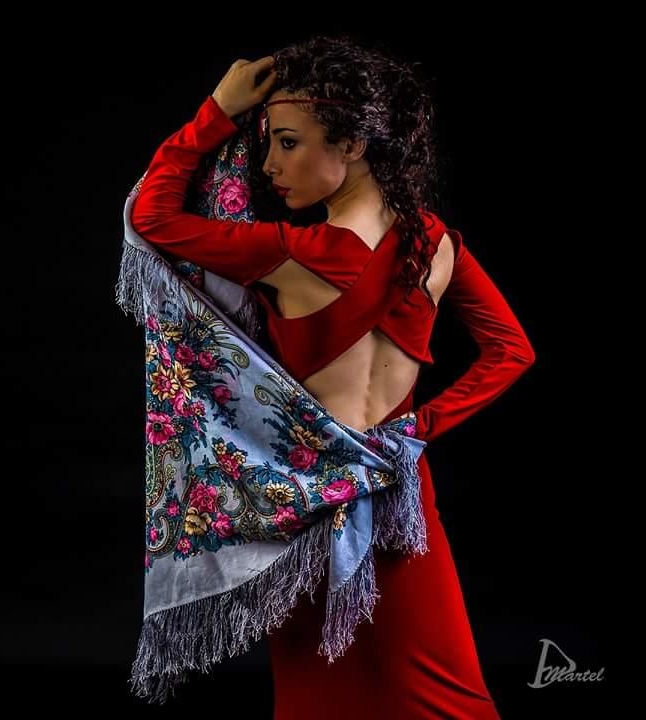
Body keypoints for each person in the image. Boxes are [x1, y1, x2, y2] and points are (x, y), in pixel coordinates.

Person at [128, 34, 535, 719]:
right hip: (403, 489)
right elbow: (511, 350)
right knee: (442, 694)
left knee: (317, 701)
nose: (269, 165)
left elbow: (152, 217)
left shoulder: (291, 252)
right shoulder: (436, 242)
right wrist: (420, 427)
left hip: (311, 503)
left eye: (288, 143)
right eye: (267, 143)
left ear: (352, 144)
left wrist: (217, 111)